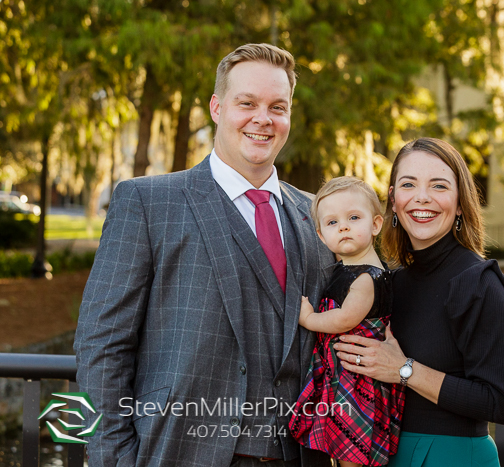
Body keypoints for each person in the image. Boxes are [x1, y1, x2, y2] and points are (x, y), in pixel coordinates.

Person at [74, 43, 336, 467]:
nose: (263, 119)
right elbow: (102, 345)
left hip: (301, 454)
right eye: (246, 103)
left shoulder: (319, 214)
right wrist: (114, 458)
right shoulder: (148, 202)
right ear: (217, 107)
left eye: (277, 106)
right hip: (179, 451)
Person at [333, 138, 504, 466]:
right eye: (409, 184)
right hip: (387, 453)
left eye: (438, 186)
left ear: (459, 203)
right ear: (394, 201)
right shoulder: (387, 285)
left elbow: (502, 402)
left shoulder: (480, 286)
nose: (421, 197)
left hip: (452, 456)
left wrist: (403, 369)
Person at [287, 177, 404, 467]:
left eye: (354, 217)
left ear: (376, 224)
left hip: (357, 379)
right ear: (321, 235)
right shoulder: (348, 269)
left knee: (352, 448)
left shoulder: (367, 277)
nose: (343, 226)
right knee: (341, 447)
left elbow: (345, 319)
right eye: (332, 222)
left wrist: (308, 318)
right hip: (343, 373)